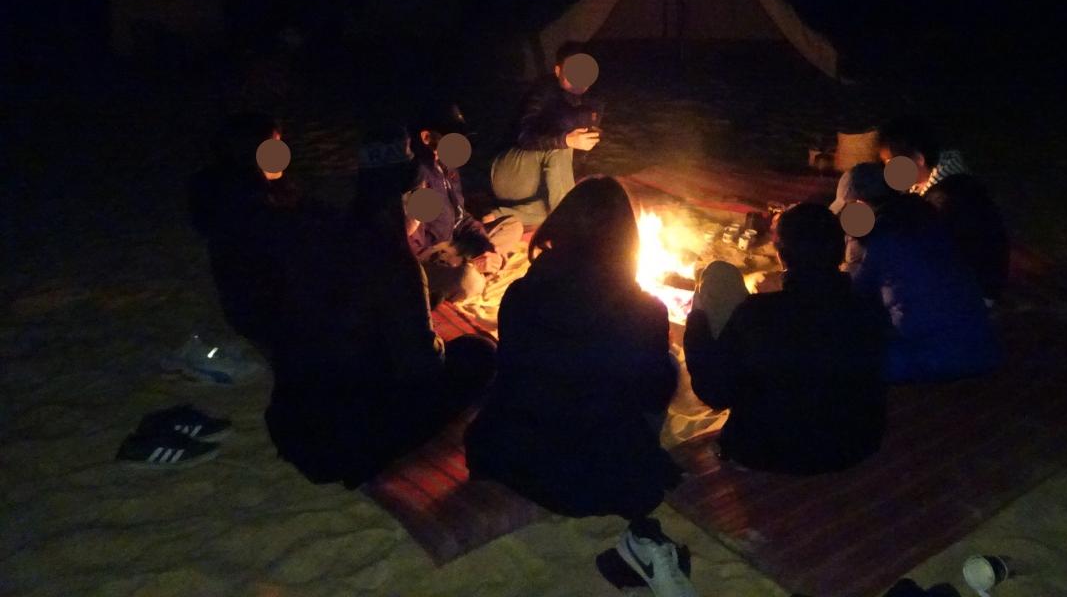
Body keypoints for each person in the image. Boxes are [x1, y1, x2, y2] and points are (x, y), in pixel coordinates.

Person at [465, 176, 697, 597]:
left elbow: (513, 374)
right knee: (662, 364)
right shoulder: (644, 310)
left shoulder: (519, 293)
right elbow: (651, 393)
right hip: (591, 483)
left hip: (514, 459)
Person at [266, 126, 496, 489]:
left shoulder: (318, 234)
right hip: (342, 442)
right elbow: (420, 367)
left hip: (290, 423)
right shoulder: (393, 259)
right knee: (480, 353)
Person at [684, 203, 888, 474]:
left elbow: (715, 392)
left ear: (781, 255)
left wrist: (696, 321)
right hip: (856, 444)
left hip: (767, 452)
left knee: (719, 276)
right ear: (840, 251)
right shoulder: (868, 309)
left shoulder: (757, 314)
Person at [845, 163, 1001, 384]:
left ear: (861, 203)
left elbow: (854, 294)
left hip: (937, 356)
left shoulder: (879, 238)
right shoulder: (930, 218)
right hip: (982, 345)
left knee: (845, 354)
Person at [187, 112, 300, 351]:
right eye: (274, 145)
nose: (281, 152)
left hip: (252, 304)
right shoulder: (244, 198)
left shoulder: (249, 187)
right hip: (263, 311)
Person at [875, 116, 1010, 304]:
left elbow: (926, 254)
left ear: (919, 159)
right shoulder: (934, 181)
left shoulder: (946, 198)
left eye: (891, 163)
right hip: (966, 280)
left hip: (971, 292)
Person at [406, 98, 523, 307]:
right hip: (429, 258)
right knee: (468, 281)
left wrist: (486, 247)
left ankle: (484, 264)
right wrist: (457, 262)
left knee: (513, 225)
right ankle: (473, 272)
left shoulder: (447, 166)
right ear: (427, 137)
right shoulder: (415, 175)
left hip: (455, 244)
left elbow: (461, 217)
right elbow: (410, 247)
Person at [489, 41, 602, 227]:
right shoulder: (542, 92)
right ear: (558, 71)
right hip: (509, 172)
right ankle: (568, 227)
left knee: (561, 208)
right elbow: (524, 138)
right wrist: (566, 140)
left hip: (541, 183)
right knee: (563, 146)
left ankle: (501, 215)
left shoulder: (592, 103)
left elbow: (576, 162)